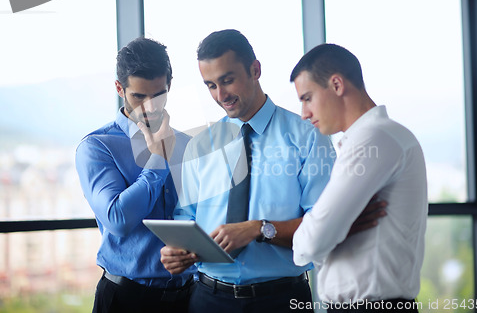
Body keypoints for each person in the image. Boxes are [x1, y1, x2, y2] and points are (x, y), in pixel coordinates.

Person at [160, 29, 386, 313]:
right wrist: (176, 252)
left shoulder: (308, 136)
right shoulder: (200, 145)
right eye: (211, 85)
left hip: (282, 300)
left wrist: (259, 229)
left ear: (255, 70)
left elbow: (324, 224)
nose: (221, 95)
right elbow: (186, 218)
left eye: (228, 80)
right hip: (209, 298)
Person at [291, 43, 428, 313]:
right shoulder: (376, 138)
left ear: (337, 85)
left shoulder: (373, 139)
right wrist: (331, 229)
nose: (304, 113)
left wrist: (325, 232)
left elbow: (309, 243)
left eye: (307, 98)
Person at [75, 37, 195, 313]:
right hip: (126, 300)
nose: (150, 107)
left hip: (189, 298)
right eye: (139, 96)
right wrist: (159, 159)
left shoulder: (188, 145)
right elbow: (118, 219)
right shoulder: (97, 147)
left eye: (158, 95)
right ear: (120, 89)